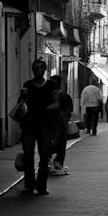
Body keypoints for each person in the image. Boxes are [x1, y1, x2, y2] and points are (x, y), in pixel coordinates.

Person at [19, 59, 59, 195]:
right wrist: (23, 96)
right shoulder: (28, 85)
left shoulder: (51, 85)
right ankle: (29, 185)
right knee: (28, 155)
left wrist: (45, 109)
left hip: (45, 124)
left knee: (44, 156)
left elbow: (56, 103)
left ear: (45, 69)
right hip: (29, 124)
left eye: (41, 67)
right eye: (36, 68)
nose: (38, 70)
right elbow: (21, 105)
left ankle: (41, 186)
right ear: (32, 70)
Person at [48, 73, 73, 176]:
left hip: (49, 124)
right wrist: (65, 119)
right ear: (61, 84)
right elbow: (69, 110)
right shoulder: (65, 96)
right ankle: (58, 164)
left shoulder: (48, 96)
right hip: (60, 124)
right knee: (61, 144)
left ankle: (48, 163)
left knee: (48, 144)